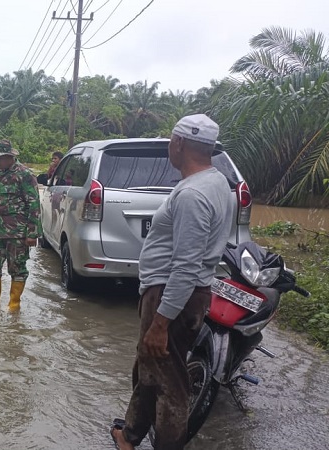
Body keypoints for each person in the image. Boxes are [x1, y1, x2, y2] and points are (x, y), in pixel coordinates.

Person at [110, 114, 234, 450]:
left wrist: (161, 322)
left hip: (171, 296)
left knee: (170, 383)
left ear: (178, 144)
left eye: (170, 141)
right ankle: (131, 434)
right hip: (178, 294)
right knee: (149, 368)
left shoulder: (193, 194)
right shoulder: (218, 182)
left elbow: (185, 266)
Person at [0, 139, 41, 310]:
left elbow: (34, 205)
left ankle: (14, 307)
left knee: (17, 269)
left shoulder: (25, 175)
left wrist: (32, 234)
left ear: (9, 157)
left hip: (17, 233)